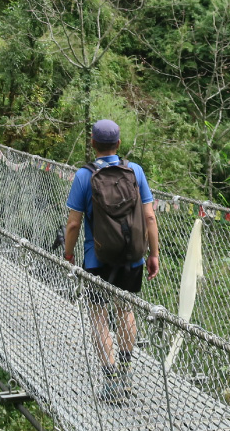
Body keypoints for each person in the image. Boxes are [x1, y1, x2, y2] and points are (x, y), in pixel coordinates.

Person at [63, 119, 160, 404]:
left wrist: (68, 256)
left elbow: (73, 225)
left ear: (92, 143)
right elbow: (150, 217)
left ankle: (110, 382)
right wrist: (153, 254)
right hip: (132, 257)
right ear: (118, 144)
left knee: (99, 317)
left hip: (97, 259)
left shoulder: (84, 175)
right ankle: (126, 376)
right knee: (125, 310)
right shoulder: (135, 171)